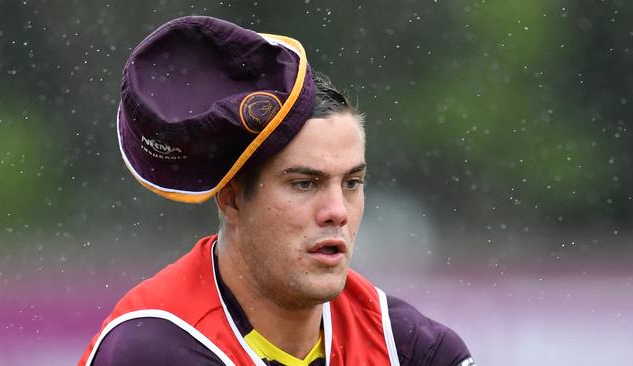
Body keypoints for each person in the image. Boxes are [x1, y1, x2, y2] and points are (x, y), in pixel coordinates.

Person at [78, 16, 475, 366]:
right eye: (304, 183)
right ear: (232, 198)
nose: (337, 210)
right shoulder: (155, 348)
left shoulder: (412, 349)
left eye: (352, 183)